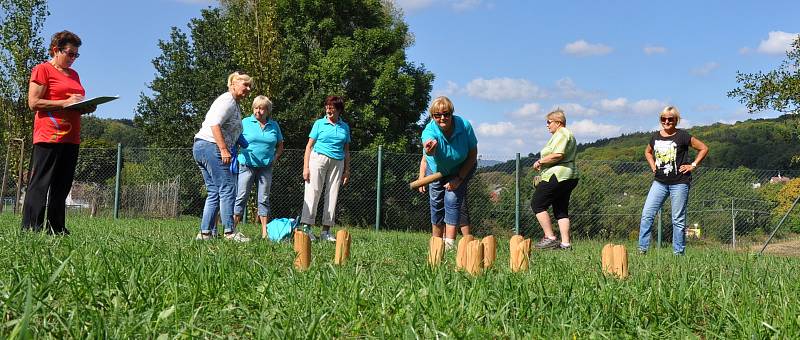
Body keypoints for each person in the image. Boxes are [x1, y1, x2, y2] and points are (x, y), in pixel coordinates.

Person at [22, 30, 96, 235]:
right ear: (56, 50)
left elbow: (75, 101)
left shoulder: (74, 75)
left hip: (71, 136)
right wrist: (65, 103)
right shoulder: (42, 70)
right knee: (40, 183)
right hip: (49, 135)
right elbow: (33, 102)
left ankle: (56, 228)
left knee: (62, 185)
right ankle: (31, 229)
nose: (73, 59)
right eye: (70, 53)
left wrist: (85, 107)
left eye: (76, 55)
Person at [638, 106, 708, 255]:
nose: (667, 121)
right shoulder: (655, 136)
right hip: (659, 182)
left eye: (670, 119)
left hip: (680, 183)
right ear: (660, 120)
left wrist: (693, 165)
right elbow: (647, 152)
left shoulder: (683, 136)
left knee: (678, 220)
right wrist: (652, 166)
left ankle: (678, 254)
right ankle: (642, 249)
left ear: (676, 120)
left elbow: (703, 148)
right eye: (663, 119)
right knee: (647, 214)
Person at [193, 71, 252, 242]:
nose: (248, 88)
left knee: (214, 191)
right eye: (245, 84)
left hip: (201, 146)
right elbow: (215, 124)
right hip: (211, 147)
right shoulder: (227, 100)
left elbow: (231, 129)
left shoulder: (234, 104)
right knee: (227, 188)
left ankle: (205, 233)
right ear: (233, 84)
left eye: (250, 86)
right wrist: (224, 149)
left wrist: (244, 143)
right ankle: (229, 232)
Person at [417, 96, 477, 249]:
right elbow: (427, 153)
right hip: (437, 170)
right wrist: (430, 149)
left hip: (461, 168)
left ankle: (449, 245)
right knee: (436, 203)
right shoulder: (429, 130)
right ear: (433, 116)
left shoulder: (465, 126)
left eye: (446, 113)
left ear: (452, 113)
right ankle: (436, 242)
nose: (442, 118)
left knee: (452, 200)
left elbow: (472, 155)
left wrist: (459, 178)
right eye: (437, 115)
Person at [300, 96, 351, 242]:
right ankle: (306, 229)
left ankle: (326, 231)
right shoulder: (319, 123)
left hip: (338, 162)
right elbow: (309, 146)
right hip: (318, 159)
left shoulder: (344, 127)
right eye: (327, 107)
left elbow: (346, 150)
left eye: (332, 107)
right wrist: (306, 167)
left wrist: (347, 170)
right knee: (313, 192)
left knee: (333, 194)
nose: (328, 110)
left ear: (339, 110)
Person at [233, 95, 284, 239]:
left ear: (267, 110)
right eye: (256, 108)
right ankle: (231, 229)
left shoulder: (274, 126)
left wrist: (274, 159)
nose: (258, 111)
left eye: (262, 108)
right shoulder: (245, 122)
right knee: (241, 196)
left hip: (265, 167)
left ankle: (264, 232)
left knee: (263, 198)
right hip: (246, 165)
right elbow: (235, 140)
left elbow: (280, 145)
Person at [531, 109, 579, 250]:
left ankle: (550, 237)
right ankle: (565, 244)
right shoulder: (564, 134)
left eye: (549, 122)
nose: (547, 125)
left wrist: (540, 161)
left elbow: (558, 154)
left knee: (537, 204)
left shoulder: (562, 133)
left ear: (558, 123)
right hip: (569, 176)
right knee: (560, 209)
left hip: (558, 174)